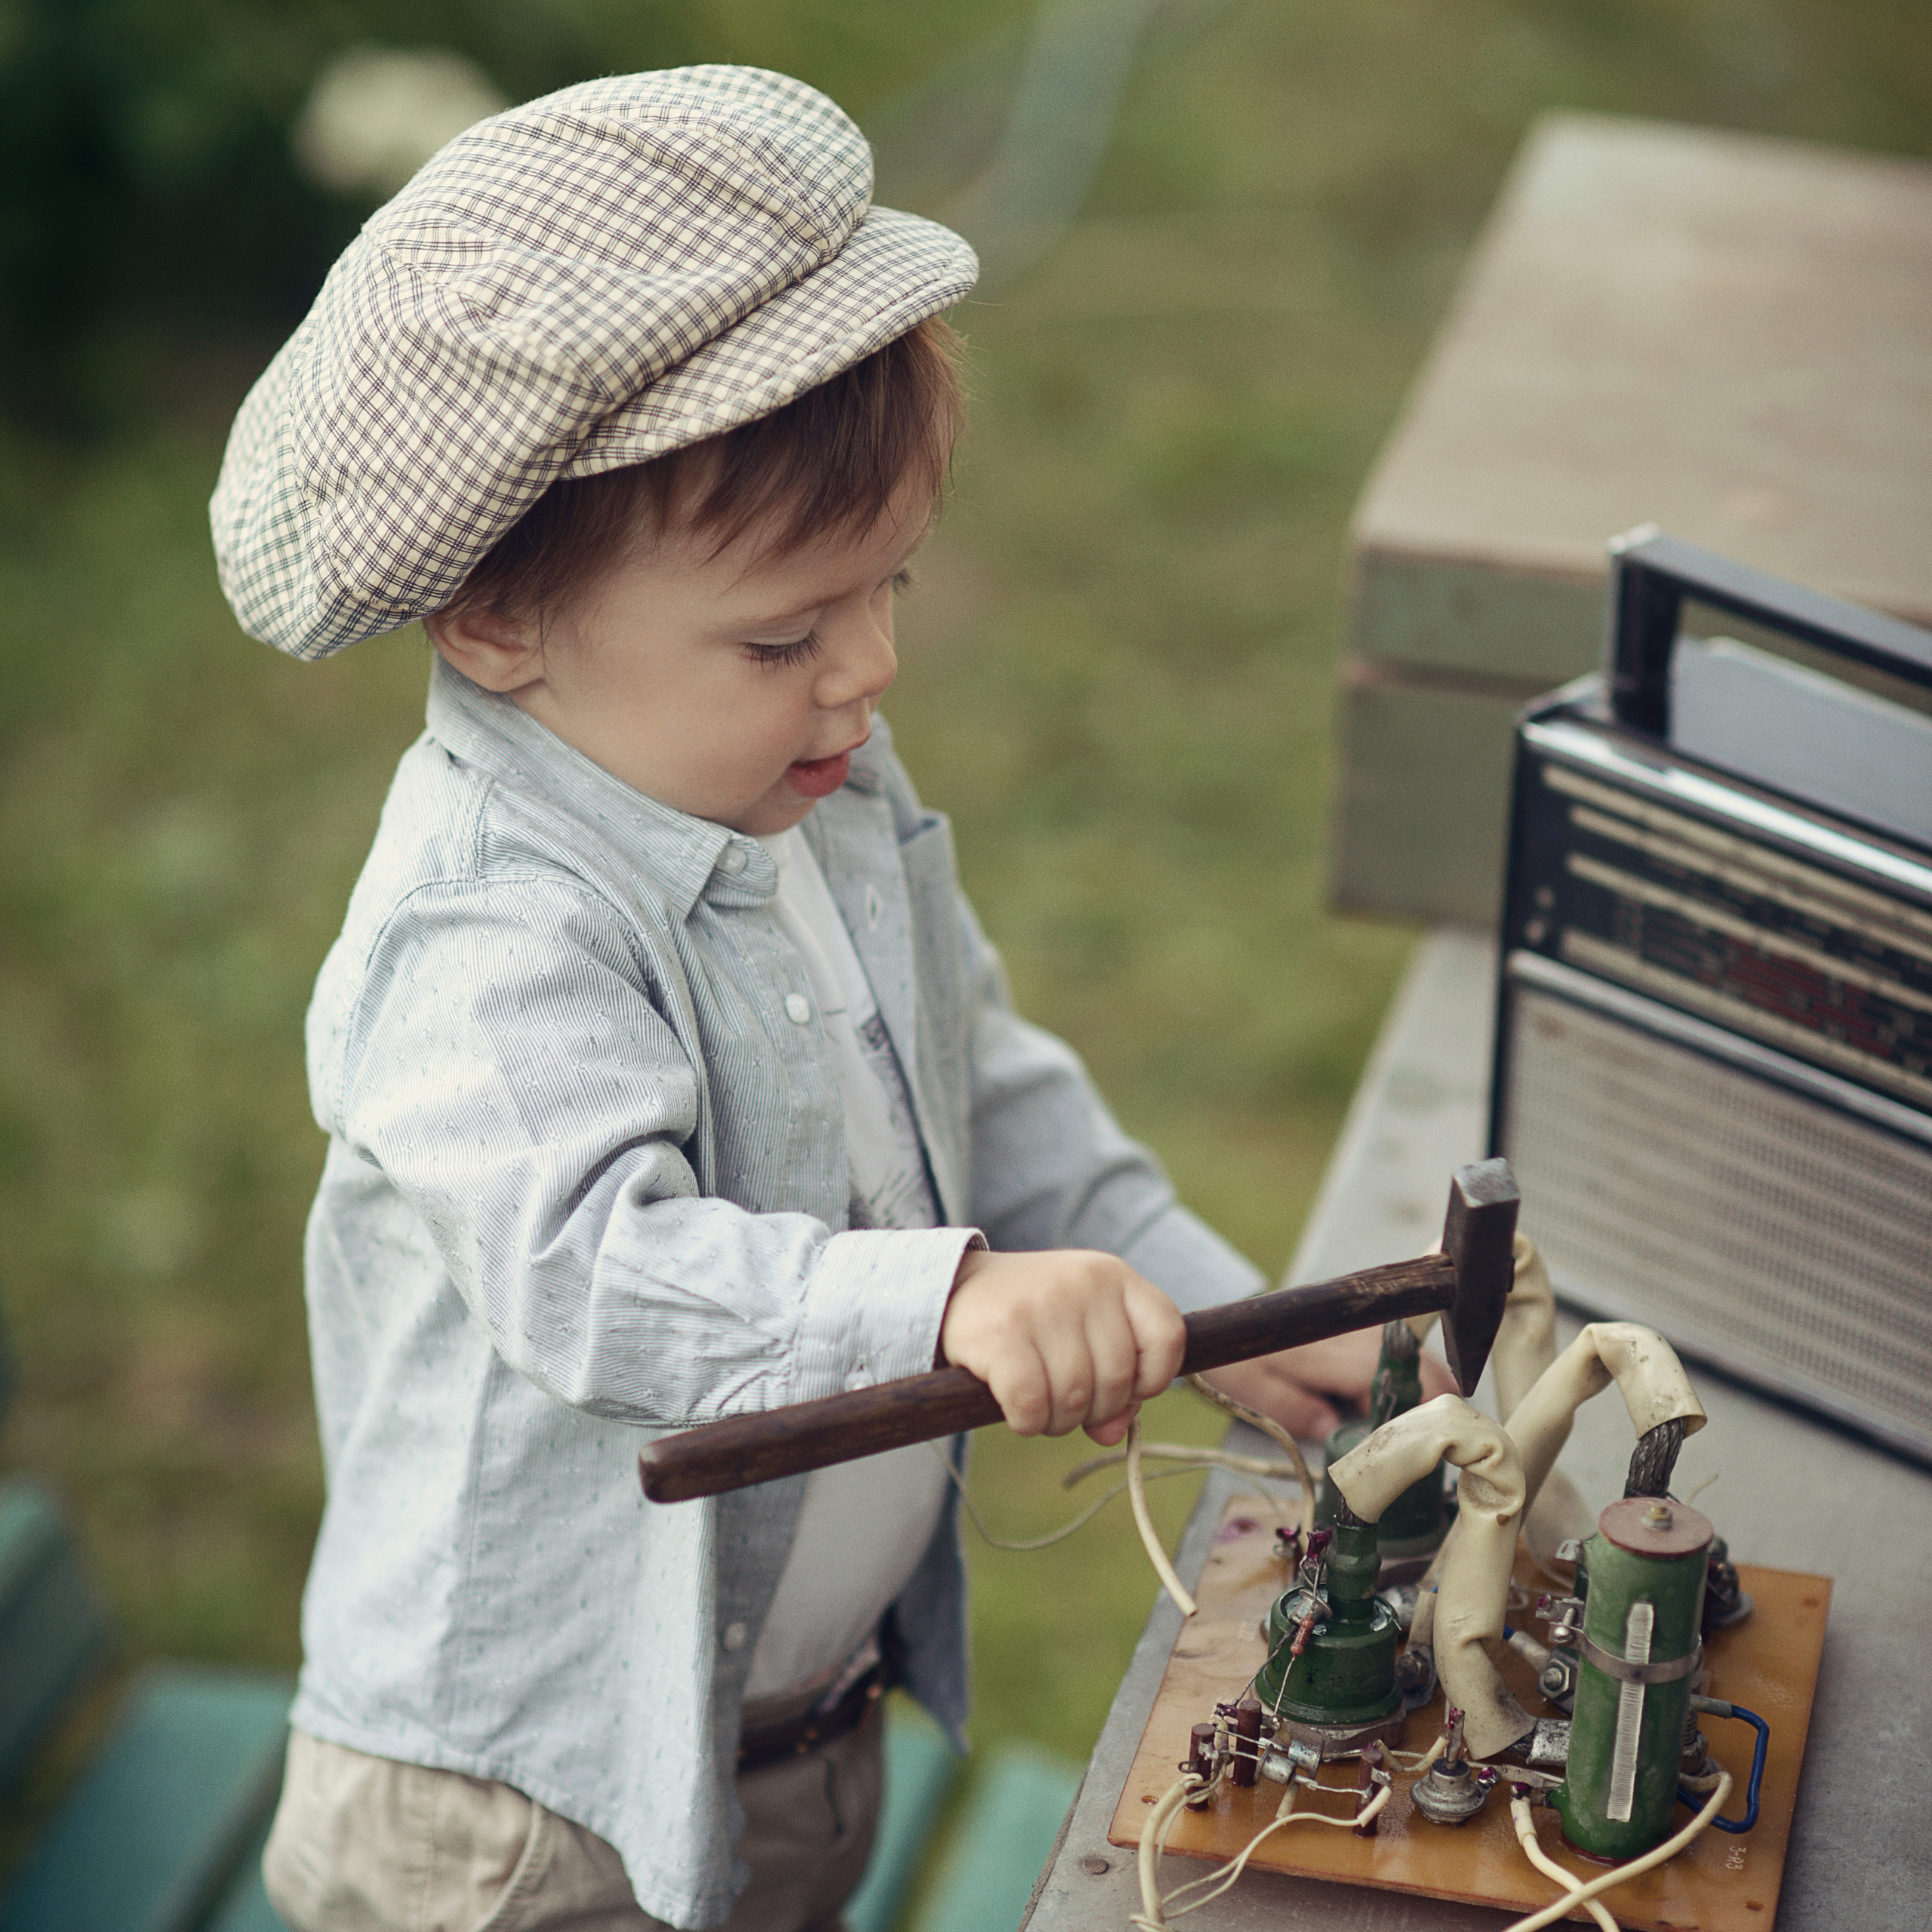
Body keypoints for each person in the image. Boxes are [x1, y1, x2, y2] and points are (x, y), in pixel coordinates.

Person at [211, 65, 1448, 1932]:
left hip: (793, 1737)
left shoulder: (812, 782)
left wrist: (1194, 1293)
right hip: (522, 1819)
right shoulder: (482, 938)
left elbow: (975, 1079)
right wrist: (943, 1294)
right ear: (491, 617)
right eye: (785, 634)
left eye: (887, 588)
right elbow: (593, 1269)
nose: (867, 671)